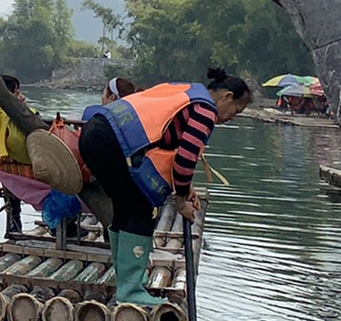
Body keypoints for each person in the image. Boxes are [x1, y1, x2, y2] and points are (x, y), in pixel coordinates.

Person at [78, 67, 253, 305]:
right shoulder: (205, 111)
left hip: (94, 133)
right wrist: (181, 200)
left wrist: (185, 187)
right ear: (227, 97)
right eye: (236, 111)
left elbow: (170, 150)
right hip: (110, 141)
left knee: (125, 206)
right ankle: (130, 292)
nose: (232, 117)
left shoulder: (187, 91)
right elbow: (184, 159)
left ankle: (125, 285)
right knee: (142, 208)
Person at [0, 70, 48, 240]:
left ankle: (14, 225)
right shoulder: (31, 121)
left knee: (9, 173)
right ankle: (66, 226)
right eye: (17, 93)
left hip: (11, 182)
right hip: (41, 180)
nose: (22, 97)